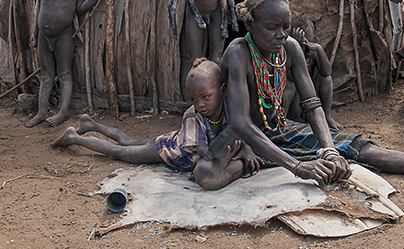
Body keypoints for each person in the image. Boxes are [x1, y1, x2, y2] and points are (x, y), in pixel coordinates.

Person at [221, 0, 404, 189]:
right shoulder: (239, 53)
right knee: (214, 170)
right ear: (250, 25)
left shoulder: (289, 48)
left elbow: (312, 105)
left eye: (286, 26)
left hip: (280, 129)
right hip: (244, 138)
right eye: (272, 28)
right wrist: (298, 166)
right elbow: (240, 122)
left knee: (354, 146)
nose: (282, 34)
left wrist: (328, 148)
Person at [52, 58, 262, 190]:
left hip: (171, 139)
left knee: (128, 141)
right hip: (165, 150)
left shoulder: (229, 108)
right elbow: (204, 152)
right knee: (120, 150)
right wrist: (226, 157)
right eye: (194, 99)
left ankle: (90, 123)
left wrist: (247, 148)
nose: (200, 104)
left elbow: (241, 129)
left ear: (223, 91)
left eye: (205, 97)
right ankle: (75, 137)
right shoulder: (192, 116)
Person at [26, 0, 103, 128]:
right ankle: (41, 112)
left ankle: (62, 112)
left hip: (63, 36)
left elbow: (80, 9)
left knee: (65, 74)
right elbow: (40, 9)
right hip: (44, 37)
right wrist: (35, 34)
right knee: (45, 75)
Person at [282, 17, 343, 130]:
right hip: (295, 104)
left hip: (312, 102)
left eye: (308, 43)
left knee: (326, 79)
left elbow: (327, 72)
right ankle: (285, 120)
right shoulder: (287, 51)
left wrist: (319, 49)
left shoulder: (313, 52)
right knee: (290, 84)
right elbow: (290, 77)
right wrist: (298, 50)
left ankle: (326, 116)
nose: (307, 48)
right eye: (303, 44)